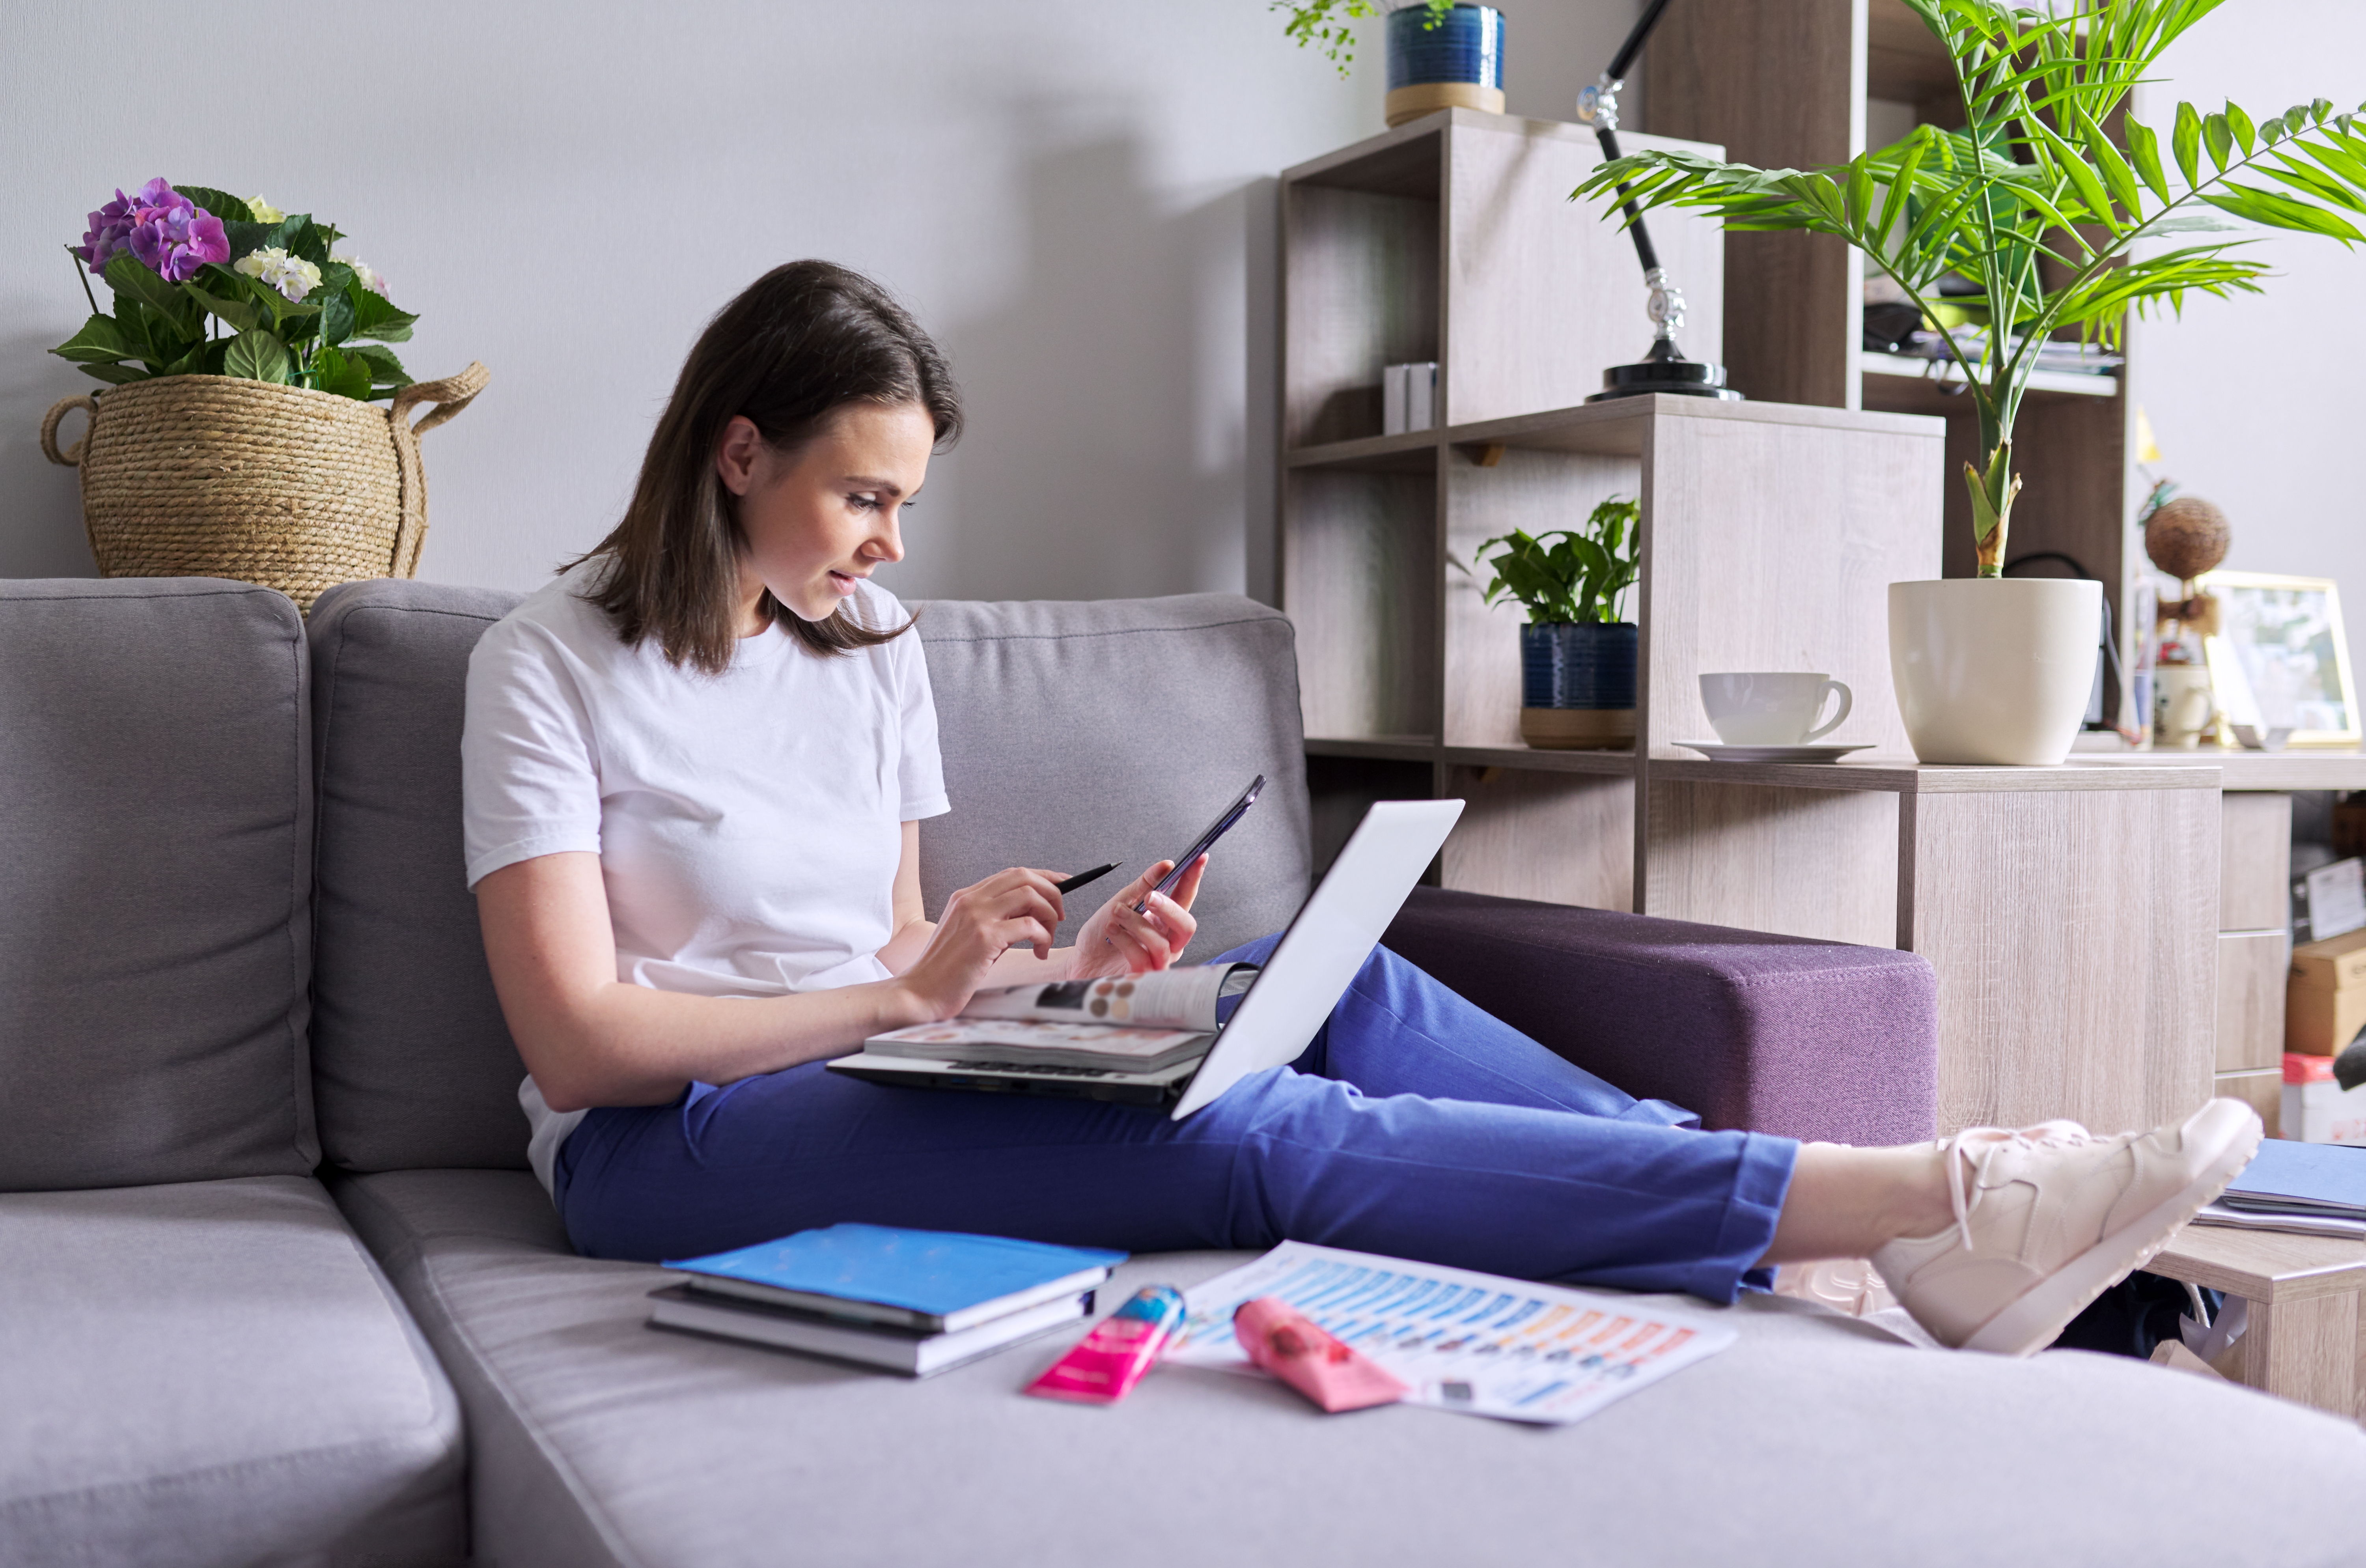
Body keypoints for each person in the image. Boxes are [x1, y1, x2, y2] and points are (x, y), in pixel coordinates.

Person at [464, 260, 2260, 1359]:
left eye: (905, 504)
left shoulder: (868, 646)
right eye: (862, 498)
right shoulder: (547, 664)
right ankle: (1934, 1196)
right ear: (737, 449)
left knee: (1335, 998)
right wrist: (914, 997)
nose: (889, 547)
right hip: (666, 1150)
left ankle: (1796, 1227)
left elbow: (888, 955)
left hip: (870, 1065)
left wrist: (1046, 978)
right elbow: (588, 1034)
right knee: (1244, 1143)